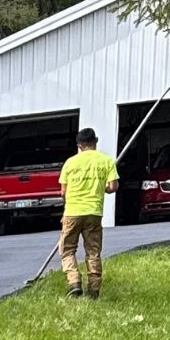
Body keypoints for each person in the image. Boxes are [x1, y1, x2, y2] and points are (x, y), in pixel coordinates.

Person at [57, 128, 118, 299]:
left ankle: (74, 282)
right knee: (93, 251)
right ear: (95, 141)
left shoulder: (70, 163)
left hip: (72, 212)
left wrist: (66, 212)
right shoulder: (106, 161)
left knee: (67, 249)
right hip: (94, 212)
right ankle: (94, 290)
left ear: (79, 145)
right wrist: (101, 188)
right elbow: (113, 187)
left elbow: (63, 192)